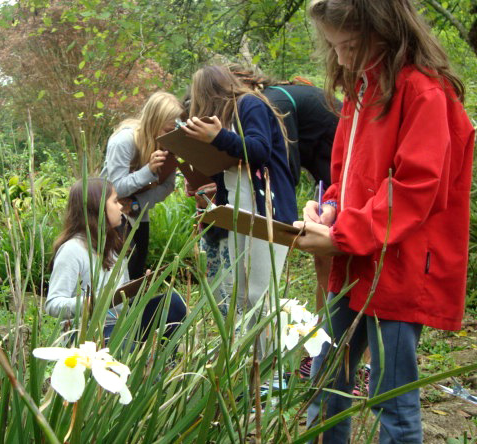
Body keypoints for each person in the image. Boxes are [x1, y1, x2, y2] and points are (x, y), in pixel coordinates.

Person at [294, 1, 474, 442]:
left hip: (397, 271)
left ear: (385, 31)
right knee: (325, 378)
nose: (339, 58)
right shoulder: (362, 90)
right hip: (353, 264)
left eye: (350, 45)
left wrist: (341, 234)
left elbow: (415, 189)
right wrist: (330, 206)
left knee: (391, 397)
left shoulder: (424, 92)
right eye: (333, 47)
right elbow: (348, 174)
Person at [182, 65, 297, 360]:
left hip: (267, 211)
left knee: (261, 295)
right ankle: (249, 364)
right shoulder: (225, 122)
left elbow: (259, 151)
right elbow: (228, 170)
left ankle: (271, 368)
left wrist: (218, 138)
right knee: (240, 295)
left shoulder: (250, 105)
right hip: (236, 213)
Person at [232, 67, 342, 316]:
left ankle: (337, 339)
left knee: (332, 258)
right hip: (326, 168)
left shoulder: (273, 103)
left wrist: (282, 219)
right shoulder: (272, 99)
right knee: (323, 259)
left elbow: (286, 166)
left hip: (344, 165)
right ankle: (324, 336)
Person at [44, 178, 187, 342]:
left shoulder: (112, 245)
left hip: (120, 322)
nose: (120, 207)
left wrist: (140, 289)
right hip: (89, 332)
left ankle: (159, 362)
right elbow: (52, 304)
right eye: (115, 201)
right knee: (124, 344)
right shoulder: (72, 250)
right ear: (98, 208)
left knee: (174, 303)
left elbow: (119, 301)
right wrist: (91, 303)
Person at [101, 92, 184, 279]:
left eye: (174, 131)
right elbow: (115, 187)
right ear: (153, 123)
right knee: (116, 275)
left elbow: (167, 187)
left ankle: (134, 309)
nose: (170, 137)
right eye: (166, 131)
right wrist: (148, 171)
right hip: (111, 216)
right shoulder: (123, 141)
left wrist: (137, 203)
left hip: (139, 215)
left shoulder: (168, 145)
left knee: (136, 273)